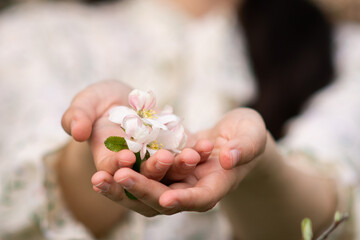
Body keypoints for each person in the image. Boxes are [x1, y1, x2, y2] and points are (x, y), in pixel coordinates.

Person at [0, 0, 359, 239]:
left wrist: (258, 166)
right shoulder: (30, 39)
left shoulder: (341, 48)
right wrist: (92, 149)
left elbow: (322, 215)